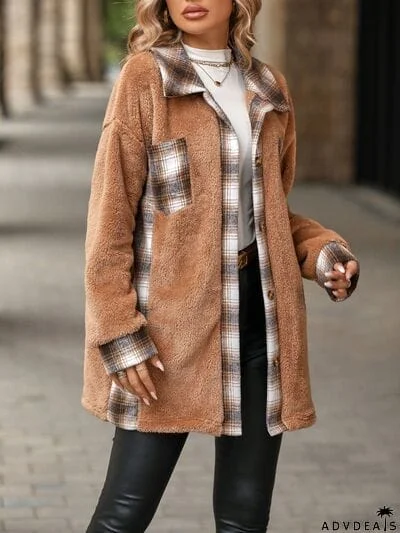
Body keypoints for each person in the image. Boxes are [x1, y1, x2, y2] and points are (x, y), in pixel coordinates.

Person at [82, 1, 360, 531]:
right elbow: (109, 222)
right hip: (167, 330)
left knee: (245, 516)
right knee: (124, 513)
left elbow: (272, 212)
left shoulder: (269, 88)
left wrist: (324, 251)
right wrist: (119, 331)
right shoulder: (145, 78)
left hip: (260, 320)